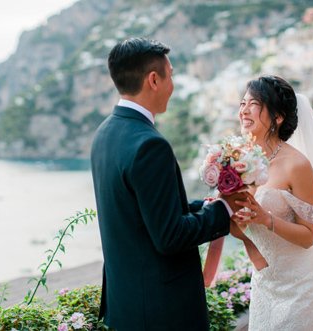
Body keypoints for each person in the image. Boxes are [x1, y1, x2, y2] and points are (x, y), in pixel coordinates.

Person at [90, 38, 243, 330]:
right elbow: (170, 236)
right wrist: (224, 209)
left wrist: (202, 206)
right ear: (153, 80)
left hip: (125, 304)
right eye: (170, 75)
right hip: (162, 310)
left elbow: (145, 213)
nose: (172, 83)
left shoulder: (103, 134)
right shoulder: (150, 145)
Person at [228, 75, 313, 330]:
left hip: (301, 287)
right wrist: (230, 213)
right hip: (264, 281)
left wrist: (266, 219)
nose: (243, 110)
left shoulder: (297, 165)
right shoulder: (239, 161)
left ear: (277, 117)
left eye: (253, 103)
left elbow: (308, 236)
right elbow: (240, 229)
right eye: (243, 103)